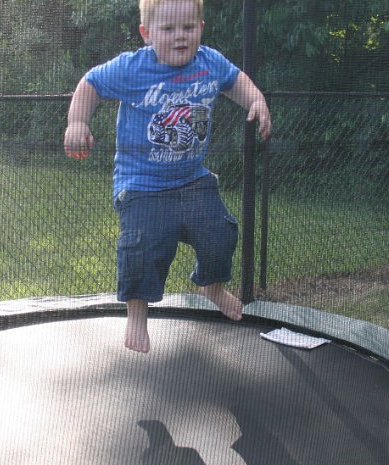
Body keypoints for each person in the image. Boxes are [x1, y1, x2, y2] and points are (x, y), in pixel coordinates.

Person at [64, 0, 271, 353]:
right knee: (143, 246)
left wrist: (256, 100)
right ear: (147, 34)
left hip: (192, 179)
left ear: (200, 28)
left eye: (188, 28)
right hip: (142, 184)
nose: (180, 37)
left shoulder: (209, 62)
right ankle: (137, 314)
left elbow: (235, 81)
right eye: (168, 30)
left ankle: (211, 287)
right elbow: (91, 83)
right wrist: (78, 122)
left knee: (219, 234)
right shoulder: (133, 68)